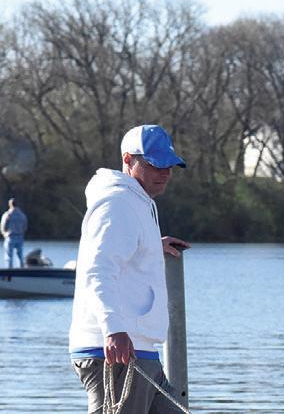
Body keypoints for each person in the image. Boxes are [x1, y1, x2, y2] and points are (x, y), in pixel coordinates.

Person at [69, 124, 191, 413]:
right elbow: (98, 269)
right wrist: (113, 329)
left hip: (139, 349)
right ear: (128, 159)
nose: (165, 173)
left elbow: (120, 246)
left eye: (169, 165)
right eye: (155, 164)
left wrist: (150, 245)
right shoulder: (117, 204)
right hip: (114, 349)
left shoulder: (136, 201)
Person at [1, 198, 28, 268]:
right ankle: (21, 270)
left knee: (9, 256)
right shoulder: (22, 215)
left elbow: (3, 226)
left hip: (10, 237)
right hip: (20, 237)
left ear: (10, 205)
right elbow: (25, 227)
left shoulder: (7, 214)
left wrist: (4, 234)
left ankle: (9, 272)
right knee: (20, 256)